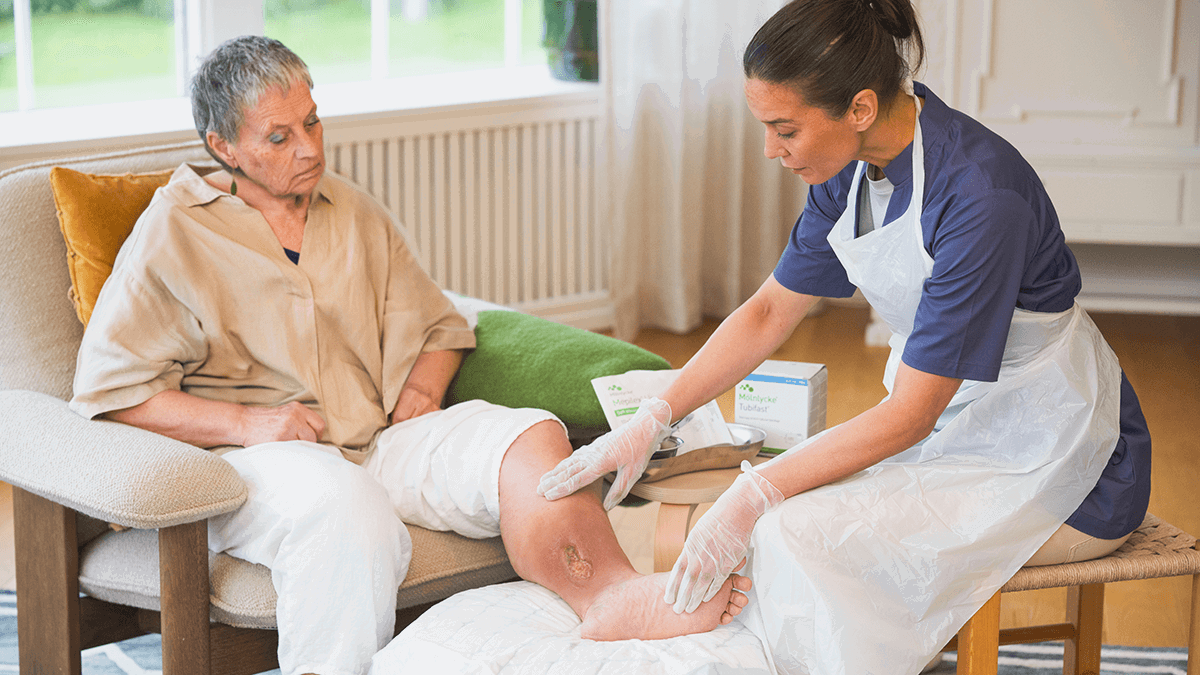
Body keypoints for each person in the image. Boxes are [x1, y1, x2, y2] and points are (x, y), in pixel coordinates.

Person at [69, 35, 749, 675]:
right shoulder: (173, 232)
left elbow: (441, 326)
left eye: (312, 121)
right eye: (279, 137)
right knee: (345, 505)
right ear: (224, 147)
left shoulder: (351, 208)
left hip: (379, 439)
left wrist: (424, 389)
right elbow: (114, 393)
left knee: (530, 435)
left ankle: (612, 595)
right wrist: (251, 425)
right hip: (252, 464)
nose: (308, 148)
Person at [537, 1, 1152, 672]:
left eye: (784, 129)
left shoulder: (979, 196)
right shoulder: (852, 169)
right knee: (790, 524)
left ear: (859, 108)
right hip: (962, 431)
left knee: (794, 531)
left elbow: (913, 413)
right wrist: (656, 414)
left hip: (1068, 464)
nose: (771, 150)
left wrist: (753, 490)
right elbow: (771, 310)